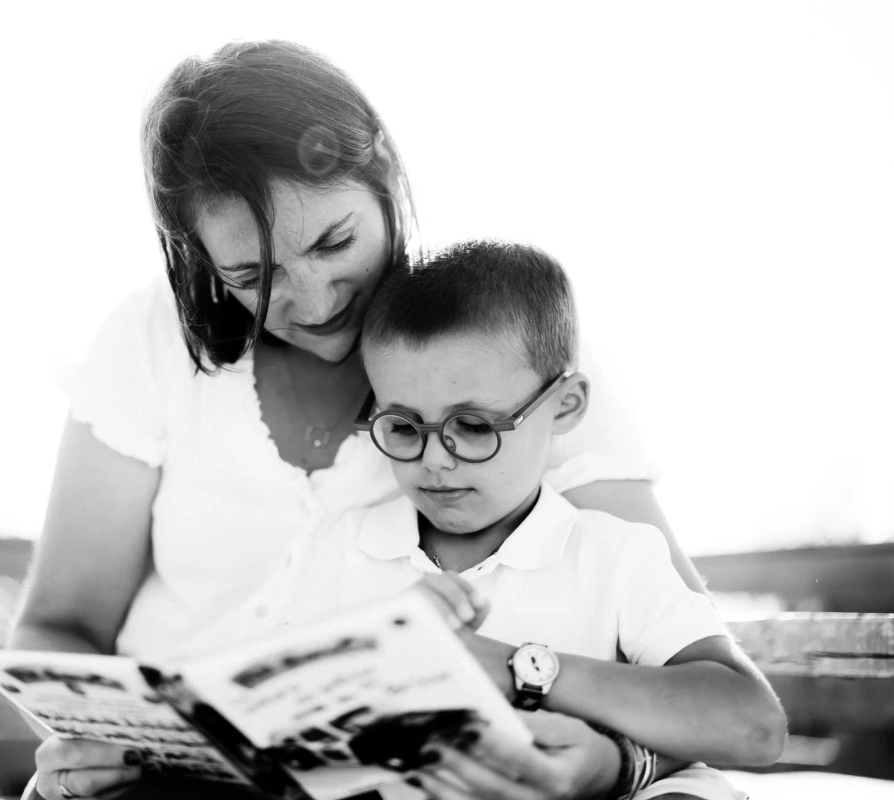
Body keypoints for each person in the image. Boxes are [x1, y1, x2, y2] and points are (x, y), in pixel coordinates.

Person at [8, 40, 720, 800]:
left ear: (383, 174)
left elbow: (705, 689)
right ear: (200, 264)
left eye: (334, 242)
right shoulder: (149, 341)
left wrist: (614, 761)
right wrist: (88, 742)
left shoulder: (503, 353)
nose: (315, 305)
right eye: (253, 279)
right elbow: (60, 625)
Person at [269, 240, 783, 799]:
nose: (435, 459)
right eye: (402, 426)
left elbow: (754, 726)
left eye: (473, 425)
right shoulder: (340, 549)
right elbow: (282, 743)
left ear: (564, 406)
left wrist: (518, 669)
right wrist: (382, 650)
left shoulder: (615, 553)